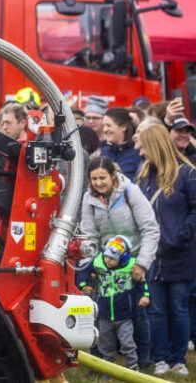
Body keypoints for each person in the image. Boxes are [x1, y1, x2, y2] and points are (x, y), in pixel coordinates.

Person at [79, 155, 158, 369]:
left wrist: (141, 263)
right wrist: (91, 266)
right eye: (94, 179)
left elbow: (150, 229)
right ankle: (101, 360)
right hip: (107, 263)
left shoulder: (130, 191)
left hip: (135, 260)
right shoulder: (89, 198)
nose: (98, 183)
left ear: (113, 176)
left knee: (138, 312)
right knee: (101, 310)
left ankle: (143, 361)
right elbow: (89, 235)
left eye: (102, 178)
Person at [134, 123, 196, 376]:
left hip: (180, 253)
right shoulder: (143, 175)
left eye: (143, 146)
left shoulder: (187, 173)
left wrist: (181, 236)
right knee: (156, 309)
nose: (140, 152)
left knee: (179, 307)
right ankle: (160, 358)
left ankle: (178, 358)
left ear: (154, 145)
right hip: (153, 255)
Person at [76, 235, 149, 370]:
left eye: (112, 259)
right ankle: (107, 369)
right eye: (106, 257)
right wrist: (84, 285)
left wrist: (145, 295)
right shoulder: (98, 262)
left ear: (123, 258)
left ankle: (133, 367)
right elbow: (83, 271)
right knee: (105, 344)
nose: (108, 261)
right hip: (104, 314)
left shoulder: (131, 266)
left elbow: (142, 282)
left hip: (125, 315)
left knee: (128, 343)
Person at [101, 107, 141, 181]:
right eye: (104, 125)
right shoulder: (103, 152)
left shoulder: (138, 153)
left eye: (108, 125)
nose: (105, 130)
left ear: (123, 127)